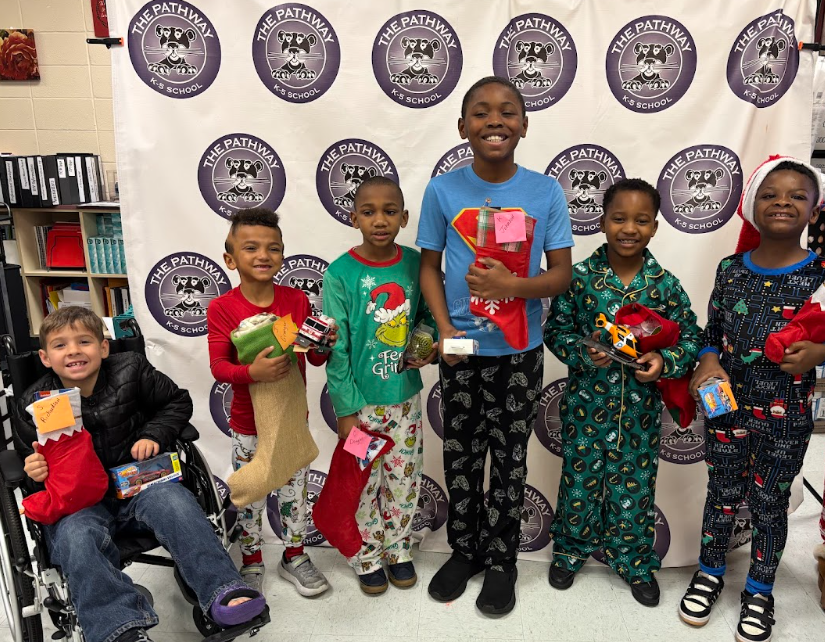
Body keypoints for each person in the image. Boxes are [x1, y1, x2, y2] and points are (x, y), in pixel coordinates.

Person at [416, 75, 573, 615]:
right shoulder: (442, 191)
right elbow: (429, 267)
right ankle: (466, 551)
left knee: (508, 459)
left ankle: (502, 559)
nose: (495, 120)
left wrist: (512, 288)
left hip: (519, 349)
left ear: (524, 125)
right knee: (460, 455)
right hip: (460, 348)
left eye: (508, 111)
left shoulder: (544, 192)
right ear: (462, 127)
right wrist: (442, 329)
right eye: (480, 112)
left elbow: (560, 278)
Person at [18, 306, 265, 642]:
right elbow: (28, 468)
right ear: (46, 358)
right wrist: (34, 469)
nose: (74, 350)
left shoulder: (130, 369)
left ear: (103, 348)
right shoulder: (35, 402)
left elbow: (176, 402)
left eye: (84, 341)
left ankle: (224, 590)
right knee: (75, 536)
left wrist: (153, 434)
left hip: (141, 483)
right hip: (78, 502)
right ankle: (119, 626)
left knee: (176, 504)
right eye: (61, 346)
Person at [677, 157, 825, 642]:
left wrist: (818, 354)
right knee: (721, 492)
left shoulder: (820, 274)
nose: (782, 202)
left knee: (768, 500)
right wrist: (708, 358)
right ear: (751, 205)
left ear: (814, 210)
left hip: (787, 414)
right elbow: (712, 330)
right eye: (770, 194)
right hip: (725, 406)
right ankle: (710, 571)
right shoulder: (730, 269)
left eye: (797, 196)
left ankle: (760, 589)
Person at [543, 178, 701, 606]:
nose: (629, 228)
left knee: (634, 487)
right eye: (619, 218)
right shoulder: (578, 280)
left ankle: (633, 559)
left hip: (639, 415)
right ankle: (570, 550)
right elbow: (556, 330)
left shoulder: (664, 285)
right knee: (579, 482)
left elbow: (691, 337)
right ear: (601, 221)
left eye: (641, 220)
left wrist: (664, 363)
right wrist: (581, 352)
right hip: (584, 409)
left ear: (654, 227)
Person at [207, 207, 332, 597]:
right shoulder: (222, 308)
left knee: (295, 492)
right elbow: (218, 367)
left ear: (282, 255)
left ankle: (294, 555)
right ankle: (251, 560)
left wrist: (324, 345)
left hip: (292, 419)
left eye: (273, 248)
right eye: (251, 248)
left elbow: (310, 357)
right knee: (252, 492)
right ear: (230, 258)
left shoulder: (296, 301)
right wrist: (252, 374)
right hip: (248, 424)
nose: (263, 255)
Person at [322, 175, 437, 595]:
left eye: (390, 211)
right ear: (354, 218)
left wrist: (428, 346)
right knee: (364, 482)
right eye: (369, 212)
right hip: (361, 408)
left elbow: (429, 313)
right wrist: (346, 412)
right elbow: (337, 348)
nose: (380, 220)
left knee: (404, 480)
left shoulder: (415, 264)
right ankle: (367, 553)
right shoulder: (339, 274)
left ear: (404, 217)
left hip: (404, 400)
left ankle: (398, 549)